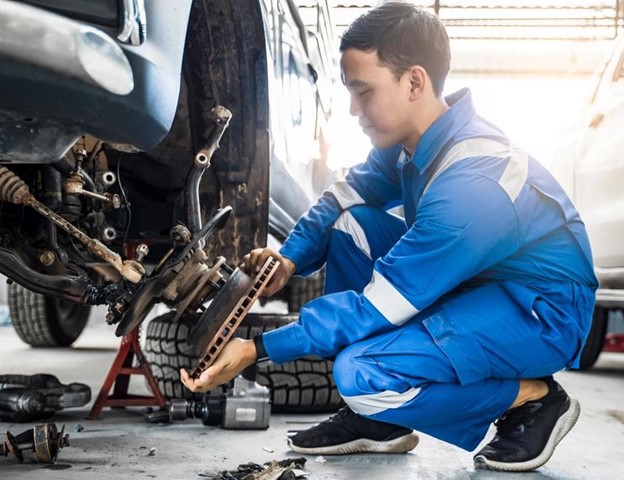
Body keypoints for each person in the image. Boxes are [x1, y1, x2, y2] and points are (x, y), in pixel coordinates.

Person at [181, 2, 598, 473]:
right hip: (479, 285)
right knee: (349, 226)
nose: (354, 110)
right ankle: (378, 423)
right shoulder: (410, 145)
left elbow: (380, 304)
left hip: (540, 313)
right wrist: (290, 260)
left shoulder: (473, 183)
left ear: (414, 82)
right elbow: (339, 200)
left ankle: (533, 398)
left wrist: (258, 349)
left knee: (360, 374)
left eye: (363, 91)